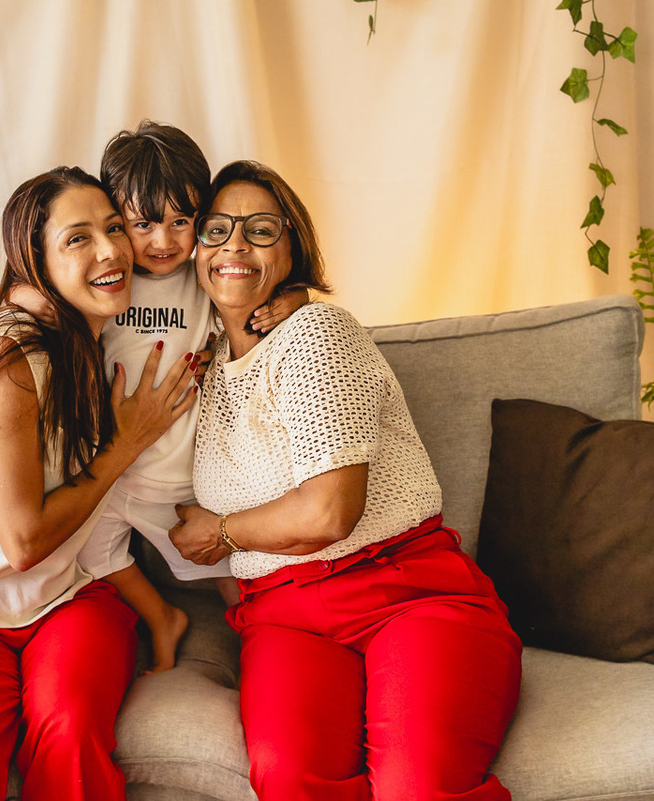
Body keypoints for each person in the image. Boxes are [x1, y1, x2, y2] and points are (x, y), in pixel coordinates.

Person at [168, 160, 523, 800]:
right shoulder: (204, 368)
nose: (235, 246)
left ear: (294, 247)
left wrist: (220, 532)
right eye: (216, 230)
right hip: (283, 618)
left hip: (406, 593)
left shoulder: (318, 331)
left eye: (261, 229)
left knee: (419, 785)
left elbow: (328, 514)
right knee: (288, 777)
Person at [0, 166, 199, 801]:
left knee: (72, 730)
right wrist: (125, 444)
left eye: (113, 229)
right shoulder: (7, 356)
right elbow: (22, 542)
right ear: (33, 259)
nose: (112, 251)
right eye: (78, 238)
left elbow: (208, 270)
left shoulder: (93, 330)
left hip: (73, 593)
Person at [17, 120, 305, 672]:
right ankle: (160, 617)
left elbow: (259, 278)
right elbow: (40, 290)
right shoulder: (108, 278)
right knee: (95, 555)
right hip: (105, 469)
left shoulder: (202, 273)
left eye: (181, 222)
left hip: (180, 471)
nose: (163, 242)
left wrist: (295, 298)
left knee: (219, 569)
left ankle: (265, 642)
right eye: (142, 224)